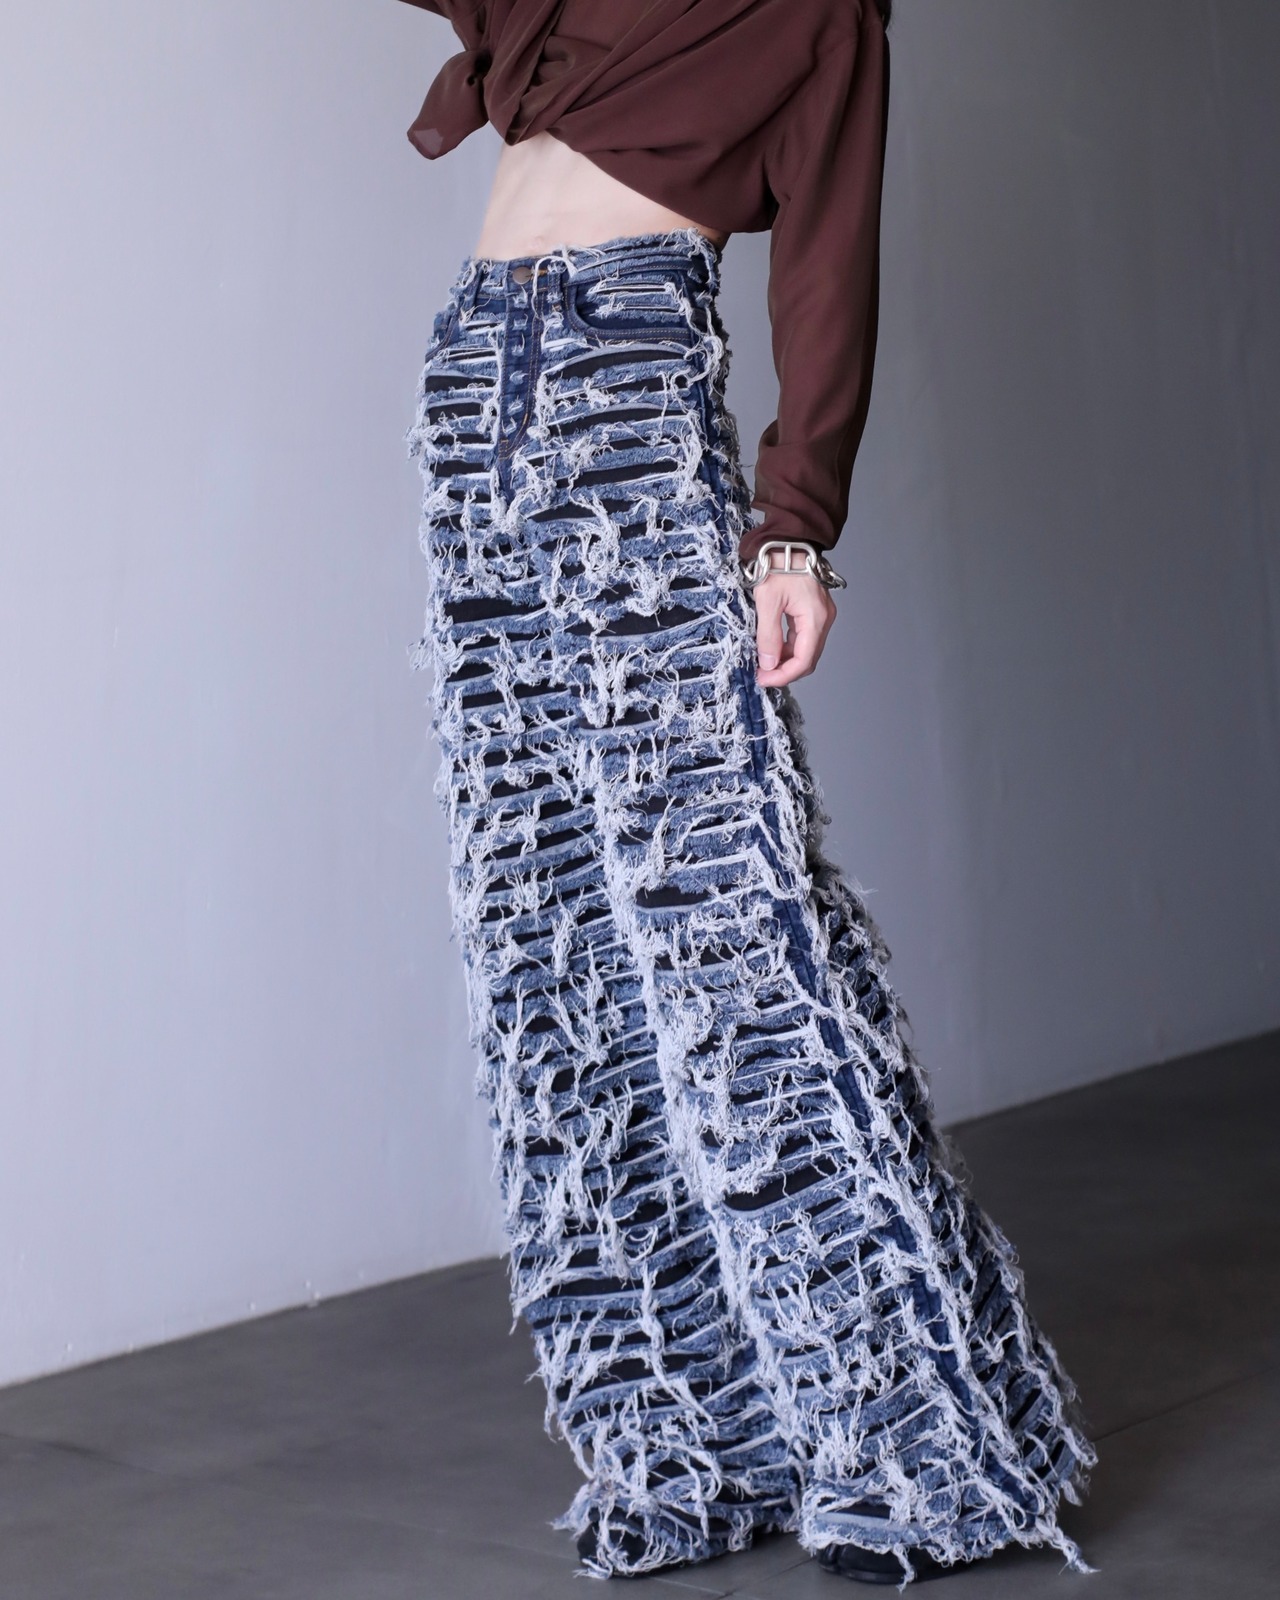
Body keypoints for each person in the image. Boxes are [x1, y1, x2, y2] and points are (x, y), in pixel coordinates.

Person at [396, 0, 1096, 1585]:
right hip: (475, 381)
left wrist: (794, 530)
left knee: (719, 919)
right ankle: (684, 1443)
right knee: (542, 925)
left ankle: (922, 1447)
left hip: (626, 371)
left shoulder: (821, 11)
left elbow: (828, 263)